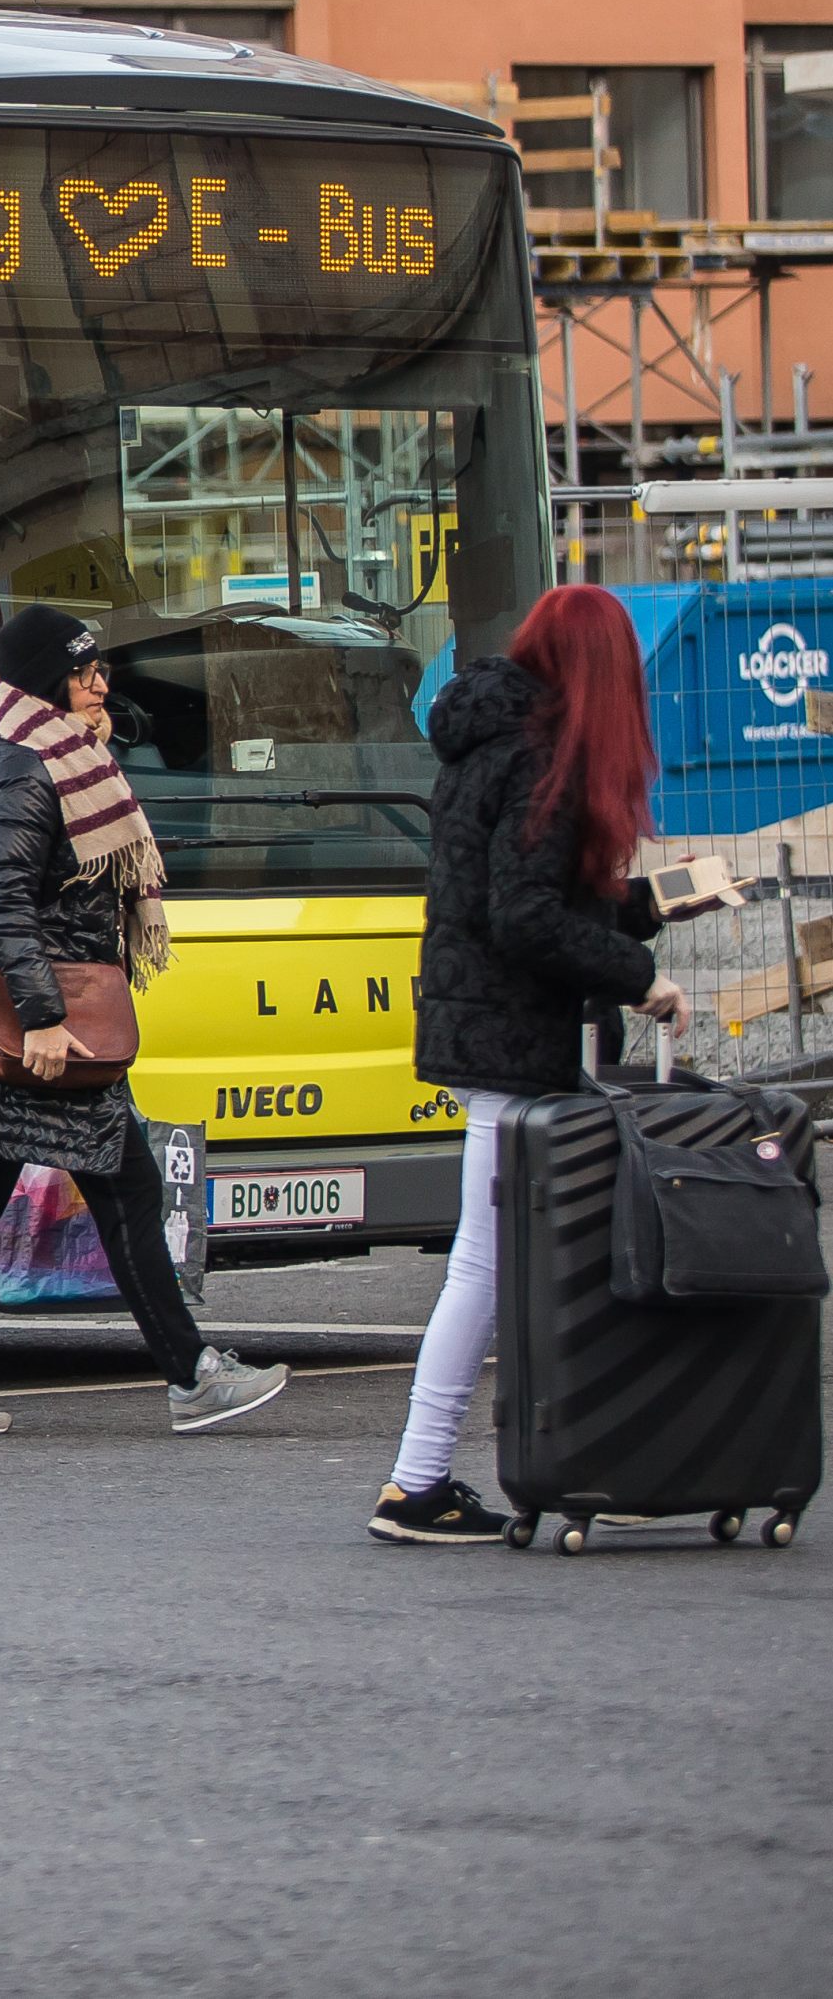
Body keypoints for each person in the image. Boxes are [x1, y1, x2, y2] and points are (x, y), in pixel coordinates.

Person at [0, 604, 290, 1437]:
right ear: (45, 682)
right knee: (124, 1185)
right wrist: (38, 1015)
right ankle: (191, 1376)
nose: (101, 682)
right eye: (83, 670)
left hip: (31, 1012)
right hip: (36, 1018)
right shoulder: (27, 769)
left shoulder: (57, 758)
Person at [369, 583, 684, 1543]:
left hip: (481, 1027)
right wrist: (640, 975)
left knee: (498, 1258)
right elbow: (525, 915)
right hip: (509, 1038)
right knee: (483, 1263)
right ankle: (416, 1481)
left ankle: (469, 1470)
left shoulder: (488, 737)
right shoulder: (542, 752)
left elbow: (512, 887)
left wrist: (646, 906)